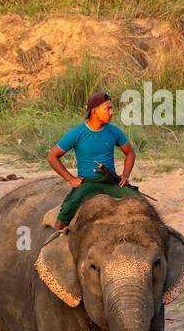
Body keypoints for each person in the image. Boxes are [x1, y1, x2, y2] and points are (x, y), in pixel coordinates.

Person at [47, 91, 141, 230]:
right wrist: (71, 179)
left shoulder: (114, 131)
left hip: (111, 181)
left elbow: (130, 153)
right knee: (66, 211)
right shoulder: (76, 133)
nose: (112, 112)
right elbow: (52, 157)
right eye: (107, 108)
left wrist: (125, 175)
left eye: (111, 108)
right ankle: (54, 242)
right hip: (88, 183)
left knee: (139, 201)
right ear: (94, 111)